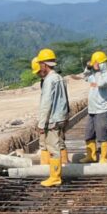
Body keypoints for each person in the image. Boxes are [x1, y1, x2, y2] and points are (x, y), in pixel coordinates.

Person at [35, 47, 69, 187]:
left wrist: (41, 124)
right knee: (59, 144)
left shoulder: (49, 80)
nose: (39, 67)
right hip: (61, 117)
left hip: (53, 119)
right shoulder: (60, 78)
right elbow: (66, 99)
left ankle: (55, 177)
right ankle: (60, 169)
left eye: (40, 64)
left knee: (53, 149)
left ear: (44, 64)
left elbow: (46, 103)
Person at [81, 50, 107, 163]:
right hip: (92, 110)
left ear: (101, 64)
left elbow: (101, 84)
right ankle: (91, 156)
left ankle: (104, 158)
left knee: (102, 135)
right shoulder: (94, 74)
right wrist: (88, 68)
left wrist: (98, 69)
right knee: (89, 134)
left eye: (96, 63)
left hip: (102, 110)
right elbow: (85, 77)